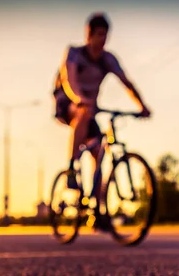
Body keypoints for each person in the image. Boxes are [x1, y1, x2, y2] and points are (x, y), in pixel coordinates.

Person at [53, 12, 151, 192]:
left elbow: (127, 83)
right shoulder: (74, 53)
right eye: (99, 34)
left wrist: (142, 106)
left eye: (105, 34)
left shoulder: (108, 59)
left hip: (90, 109)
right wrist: (80, 99)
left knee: (99, 154)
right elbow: (70, 81)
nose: (103, 39)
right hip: (68, 103)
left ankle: (98, 209)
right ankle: (72, 169)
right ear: (89, 35)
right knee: (83, 113)